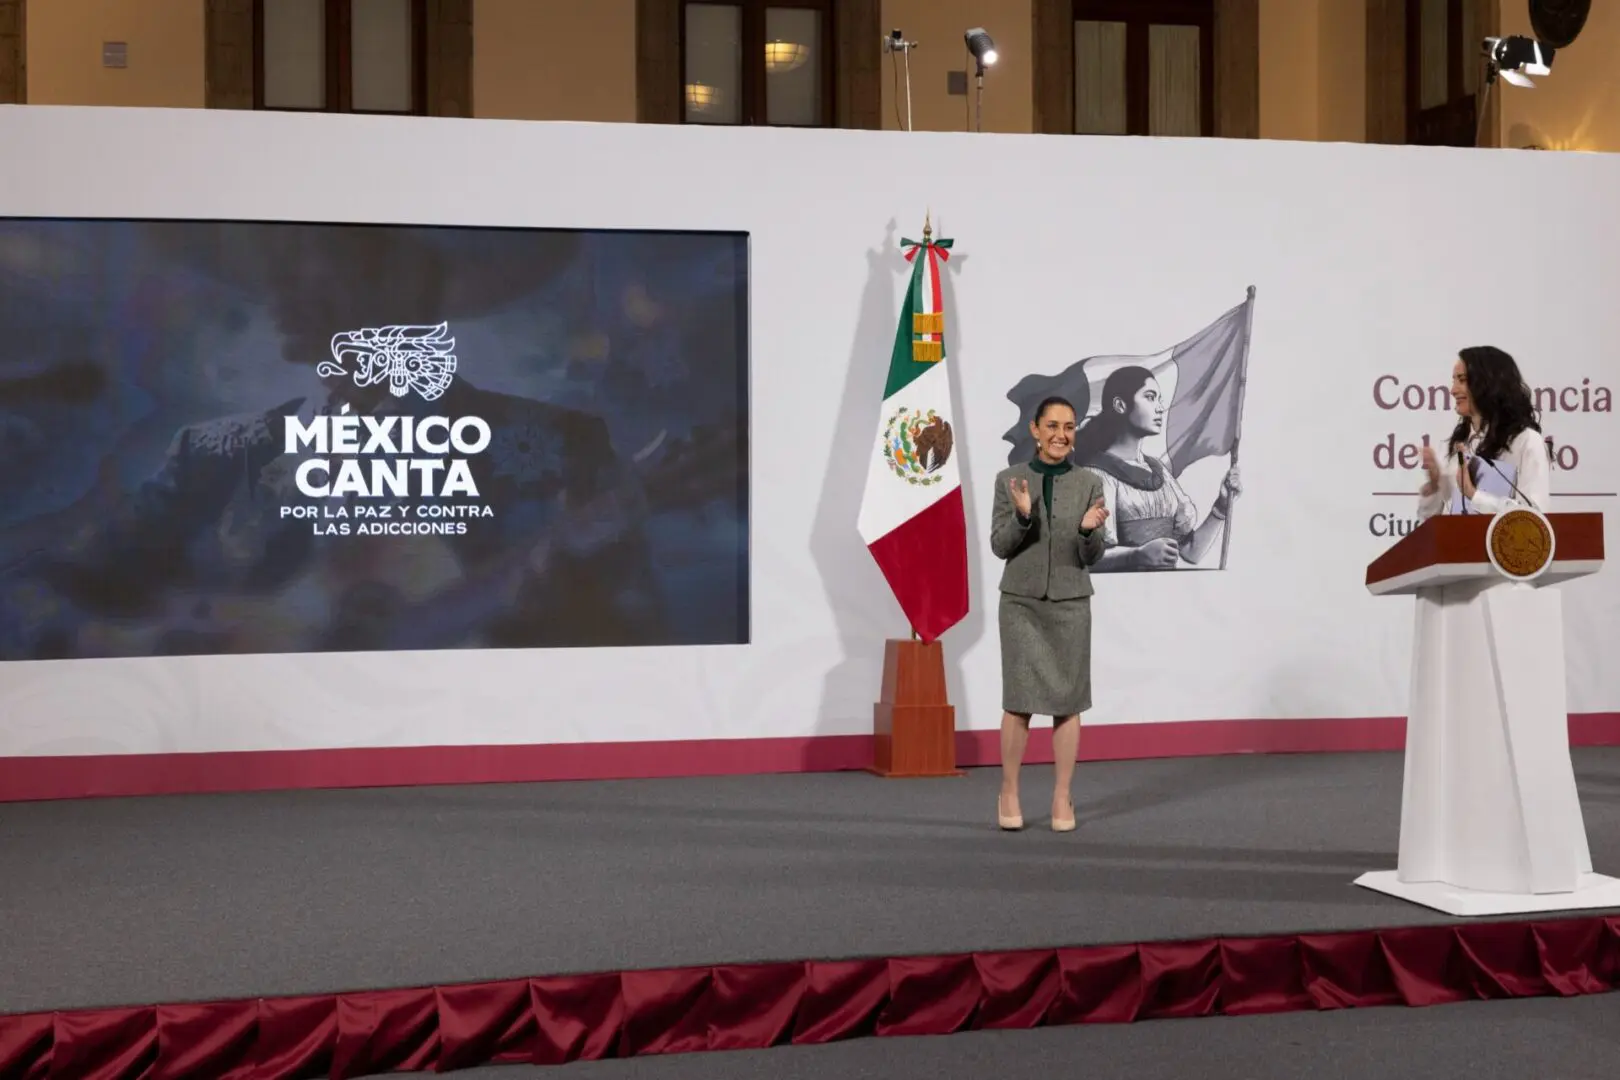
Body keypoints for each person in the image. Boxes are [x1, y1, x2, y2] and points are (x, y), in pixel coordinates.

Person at [989, 395, 1109, 833]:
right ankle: (1009, 791)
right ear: (1035, 431)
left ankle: (1062, 795)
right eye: (1053, 426)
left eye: (1070, 427)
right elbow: (1000, 546)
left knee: (1068, 702)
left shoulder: (1091, 483)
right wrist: (1022, 517)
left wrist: (1087, 530)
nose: (1062, 434)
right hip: (1020, 603)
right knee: (1019, 702)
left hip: (1071, 605)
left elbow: (1092, 554)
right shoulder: (1009, 479)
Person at [1070, 366, 1239, 571]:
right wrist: (1136, 556)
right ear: (1120, 405)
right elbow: (1086, 559)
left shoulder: (1159, 471)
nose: (1160, 408)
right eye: (1150, 397)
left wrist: (1221, 506)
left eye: (1159, 399)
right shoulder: (1097, 475)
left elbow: (1191, 553)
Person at [1417, 345, 1549, 518]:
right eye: (1454, 380)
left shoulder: (1526, 441)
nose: (1453, 390)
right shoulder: (1461, 444)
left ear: (1488, 383)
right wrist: (1435, 486)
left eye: (1462, 380)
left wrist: (1474, 495)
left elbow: (1534, 519)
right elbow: (1433, 522)